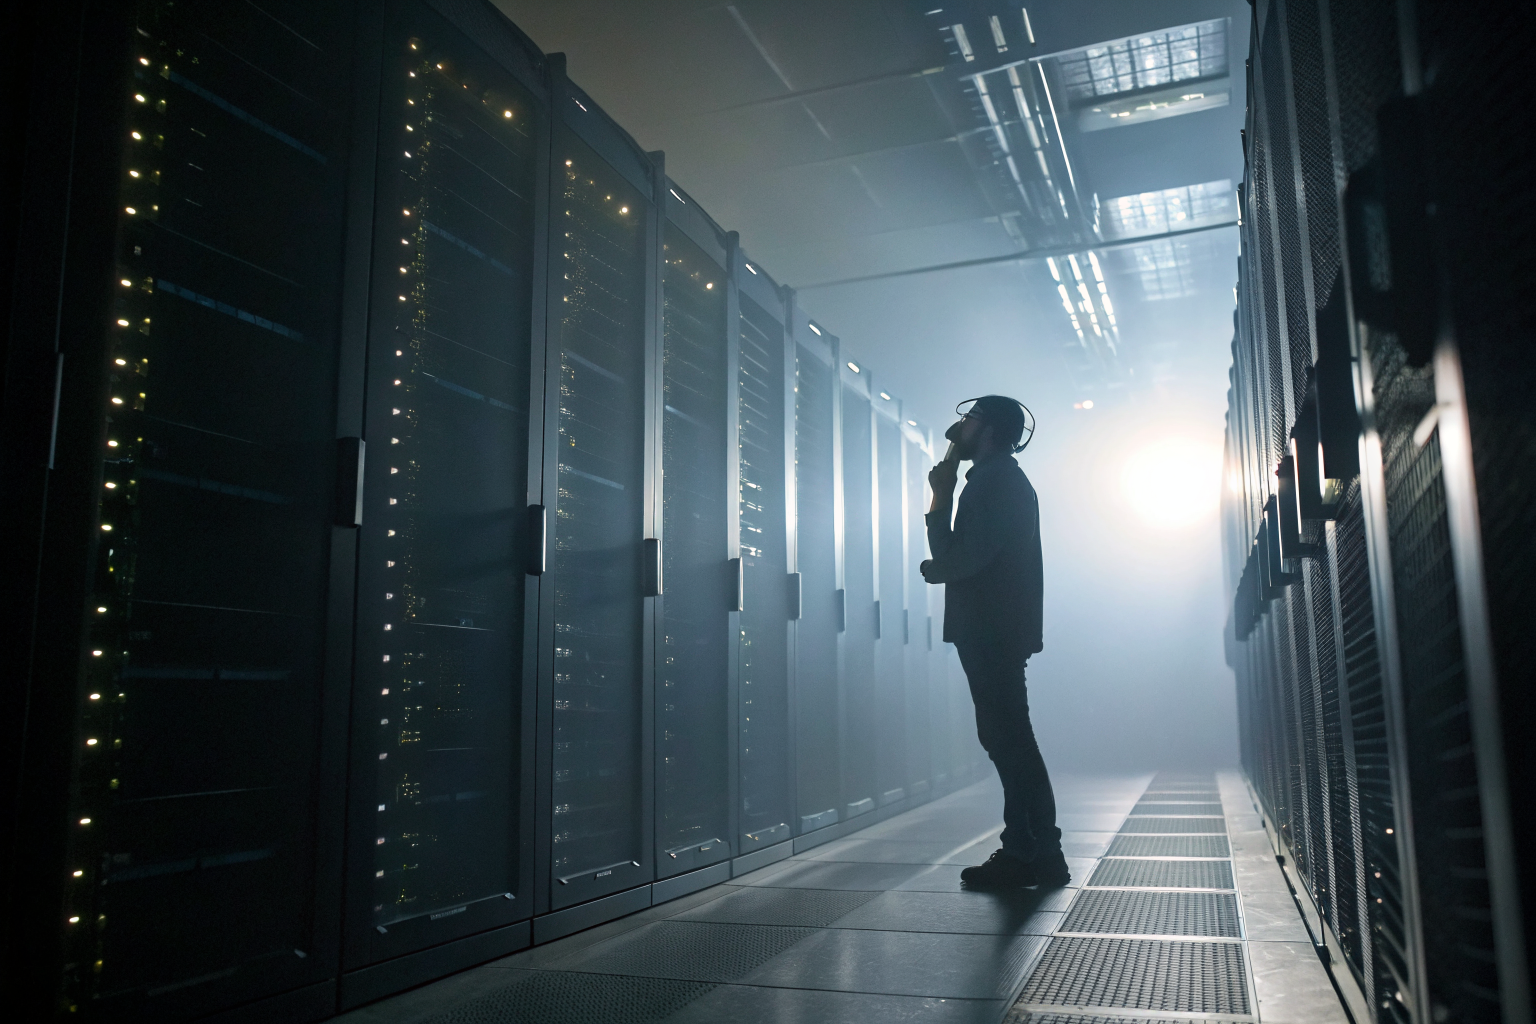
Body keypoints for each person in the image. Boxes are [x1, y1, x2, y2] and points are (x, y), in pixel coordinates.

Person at [920, 395, 1068, 889]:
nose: (959, 424)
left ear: (986, 428)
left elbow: (962, 555)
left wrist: (939, 502)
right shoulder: (996, 478)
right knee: (1008, 738)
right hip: (996, 627)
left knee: (1009, 739)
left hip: (990, 629)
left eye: (969, 418)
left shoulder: (996, 480)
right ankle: (1038, 852)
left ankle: (1030, 851)